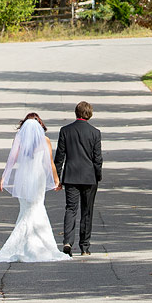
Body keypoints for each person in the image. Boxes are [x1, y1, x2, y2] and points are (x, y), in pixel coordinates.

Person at [0, 113, 71, 263]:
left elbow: (12, 160)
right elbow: (49, 163)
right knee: (37, 207)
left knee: (26, 209)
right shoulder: (44, 141)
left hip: (24, 177)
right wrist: (56, 180)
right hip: (38, 178)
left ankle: (26, 243)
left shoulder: (19, 140)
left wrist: (4, 177)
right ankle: (39, 244)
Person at [54, 101, 102, 256]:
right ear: (90, 114)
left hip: (71, 176)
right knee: (87, 211)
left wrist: (57, 177)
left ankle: (68, 241)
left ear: (76, 113)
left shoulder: (65, 131)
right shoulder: (95, 132)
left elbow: (60, 156)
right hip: (89, 177)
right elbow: (97, 158)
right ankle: (85, 246)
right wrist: (98, 175)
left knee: (71, 209)